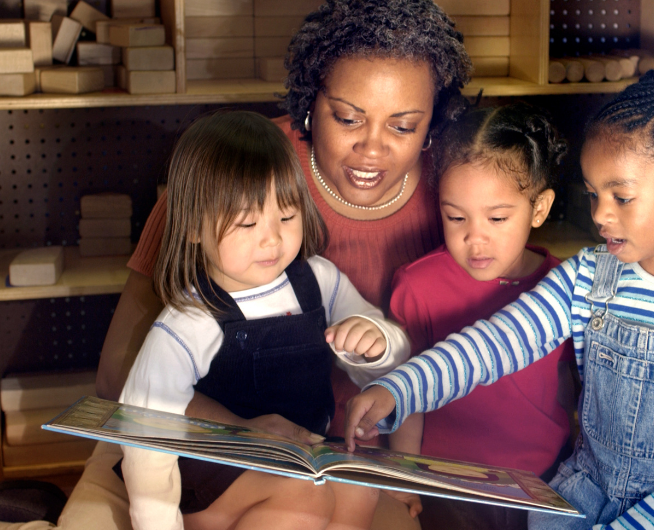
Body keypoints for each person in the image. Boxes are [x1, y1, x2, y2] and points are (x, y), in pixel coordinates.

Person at [346, 59, 654, 530]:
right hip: (590, 500)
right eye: (593, 193)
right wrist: (400, 388)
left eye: (620, 196)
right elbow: (495, 343)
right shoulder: (585, 278)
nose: (600, 215)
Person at [95, 0, 472, 448]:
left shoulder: (458, 189)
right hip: (243, 452)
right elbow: (118, 373)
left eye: (404, 127)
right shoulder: (235, 170)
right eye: (348, 119)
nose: (372, 149)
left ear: (432, 124)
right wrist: (241, 434)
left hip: (398, 451)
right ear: (310, 100)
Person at [117, 111, 410, 530]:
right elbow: (144, 432)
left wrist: (377, 342)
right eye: (248, 223)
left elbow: (391, 355)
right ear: (193, 226)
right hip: (209, 482)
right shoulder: (189, 320)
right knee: (301, 498)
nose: (272, 238)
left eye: (286, 217)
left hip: (297, 457)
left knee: (358, 485)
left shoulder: (319, 279)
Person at [386, 103, 577, 527]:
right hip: (448, 487)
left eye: (497, 218)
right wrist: (402, 480)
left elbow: (574, 391)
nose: (475, 237)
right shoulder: (419, 286)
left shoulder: (566, 287)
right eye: (456, 217)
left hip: (541, 485)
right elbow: (406, 396)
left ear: (540, 209)